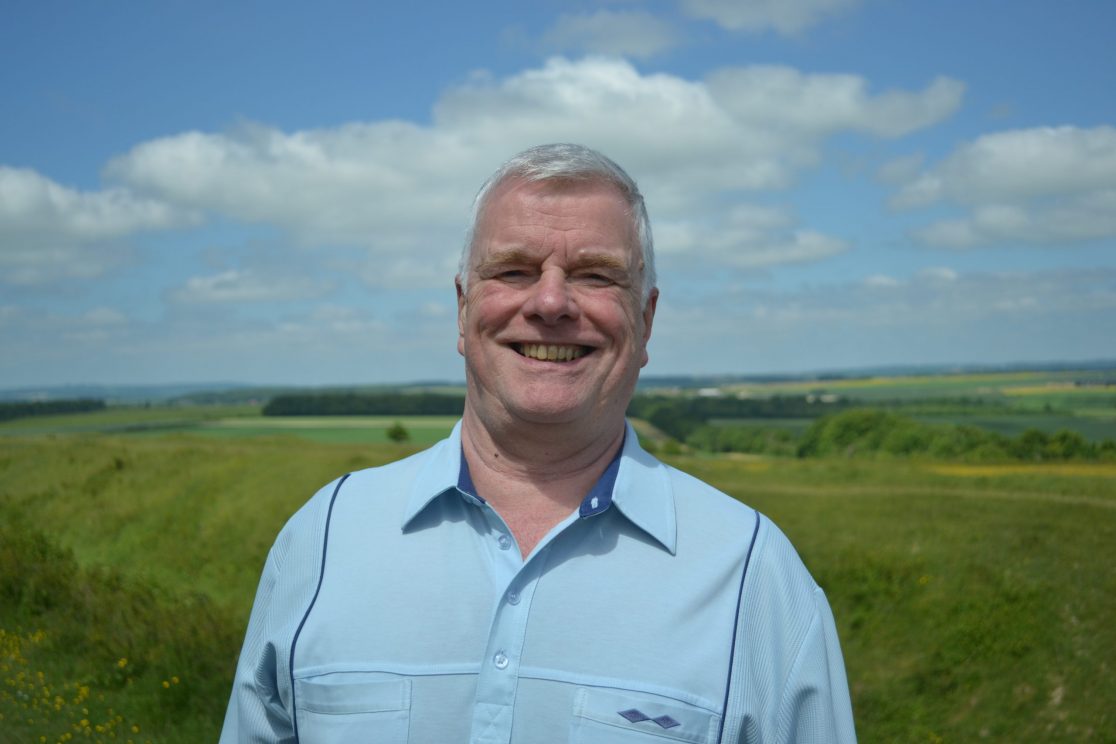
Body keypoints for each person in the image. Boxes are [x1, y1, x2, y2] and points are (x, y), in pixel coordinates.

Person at [220, 143, 856, 743]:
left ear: (646, 319)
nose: (551, 302)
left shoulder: (753, 574)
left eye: (596, 275)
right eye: (514, 270)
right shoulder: (323, 539)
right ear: (463, 309)